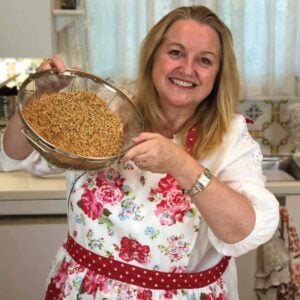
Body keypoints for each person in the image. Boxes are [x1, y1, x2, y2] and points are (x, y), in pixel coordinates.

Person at [0, 5, 279, 300]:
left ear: (219, 74)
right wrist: (41, 96)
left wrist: (180, 163)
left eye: (205, 60)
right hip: (82, 290)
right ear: (153, 56)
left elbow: (243, 231)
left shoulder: (230, 139)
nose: (187, 68)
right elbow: (15, 152)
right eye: (175, 52)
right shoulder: (107, 108)